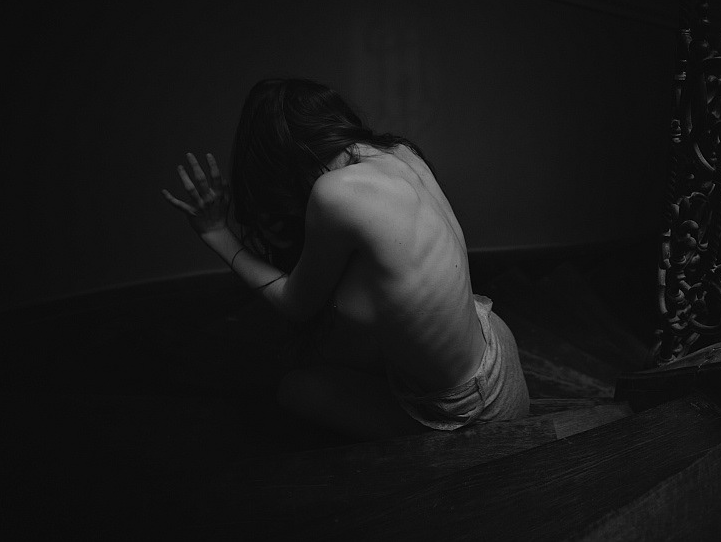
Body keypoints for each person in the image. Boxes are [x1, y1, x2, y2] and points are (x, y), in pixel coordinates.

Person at [162, 78, 530, 440]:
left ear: (275, 163)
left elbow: (295, 304)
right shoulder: (398, 151)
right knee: (327, 351)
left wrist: (215, 233)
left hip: (475, 410)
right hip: (496, 348)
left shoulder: (334, 194)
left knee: (295, 388)